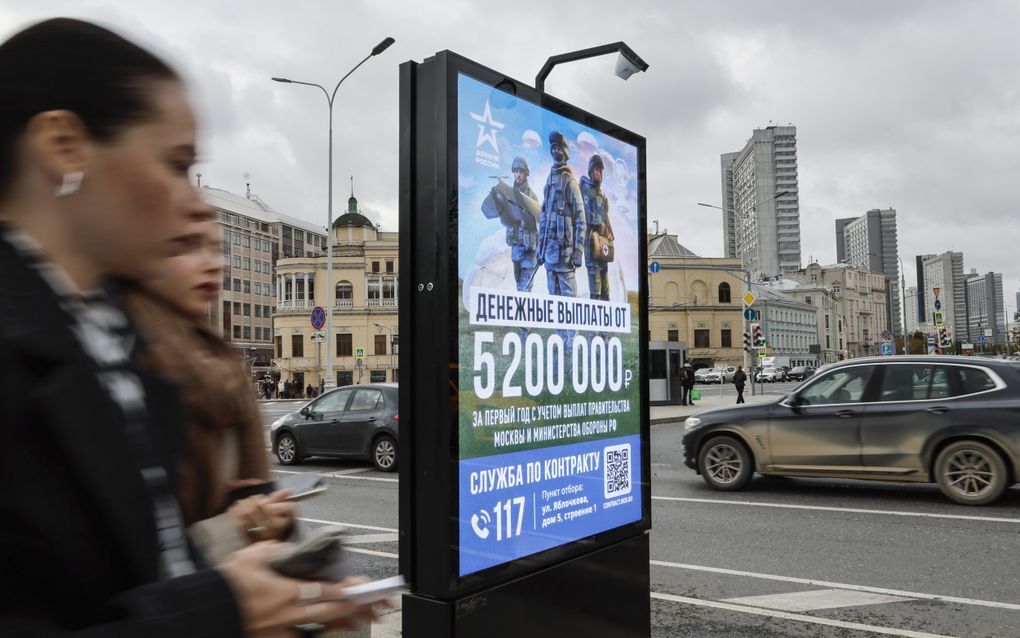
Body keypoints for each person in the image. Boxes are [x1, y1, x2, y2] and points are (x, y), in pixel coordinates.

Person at [0, 18, 379, 636]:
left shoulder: (103, 337)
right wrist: (223, 606)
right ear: (64, 146)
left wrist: (251, 571)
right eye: (176, 164)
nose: (197, 202)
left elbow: (129, 576)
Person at [123, 221, 295, 565]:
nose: (215, 263)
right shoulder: (130, 363)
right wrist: (237, 529)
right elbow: (138, 558)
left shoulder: (222, 359)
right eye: (188, 246)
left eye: (217, 250)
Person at [537, 131, 585, 298]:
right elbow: (543, 218)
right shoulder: (548, 183)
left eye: (559, 148)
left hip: (566, 256)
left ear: (565, 153)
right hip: (549, 255)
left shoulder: (570, 183)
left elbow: (581, 220)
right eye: (553, 148)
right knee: (554, 303)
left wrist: (578, 252)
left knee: (569, 305)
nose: (555, 151)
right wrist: (539, 248)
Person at [580, 154, 614, 301]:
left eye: (600, 170)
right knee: (595, 277)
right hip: (591, 239)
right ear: (591, 171)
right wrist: (602, 227)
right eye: (595, 170)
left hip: (602, 242)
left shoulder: (603, 195)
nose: (598, 173)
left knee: (604, 277)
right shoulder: (585, 190)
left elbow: (605, 216)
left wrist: (610, 233)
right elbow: (587, 216)